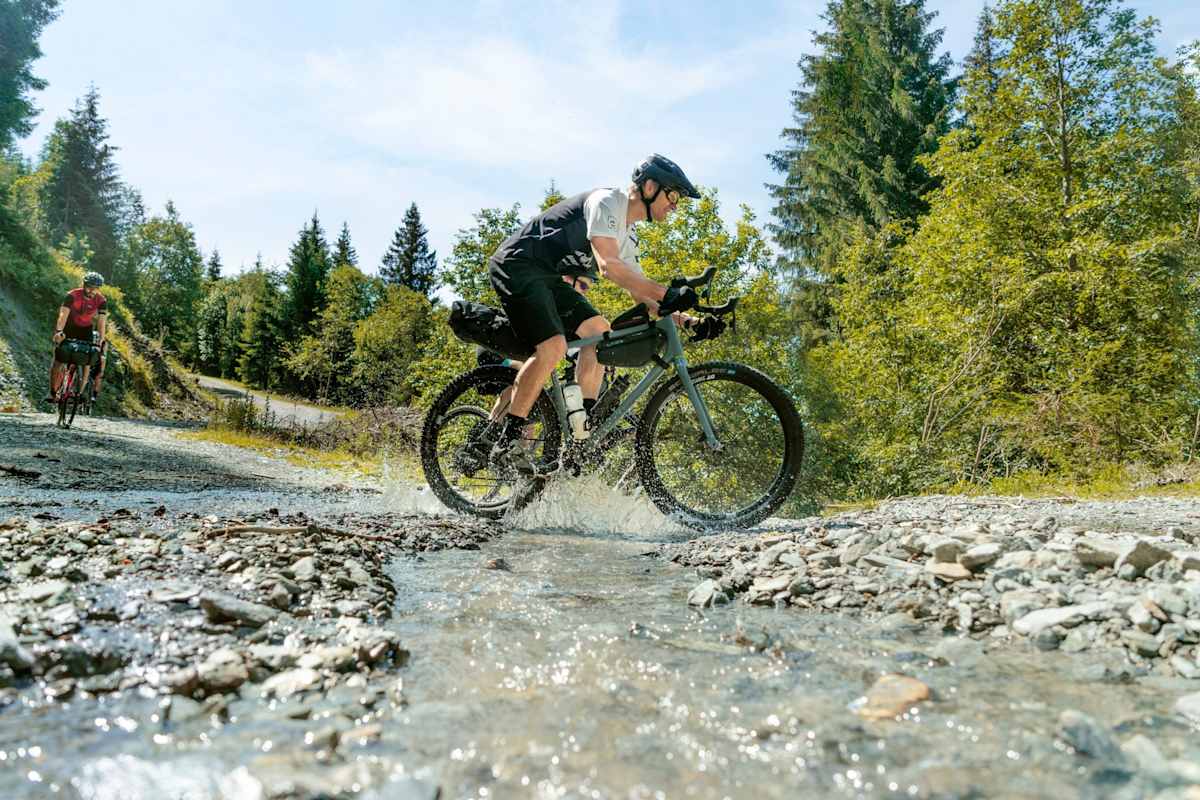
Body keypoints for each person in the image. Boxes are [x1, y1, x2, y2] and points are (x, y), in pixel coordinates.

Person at [486, 154, 702, 468]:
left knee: (600, 334)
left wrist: (687, 320)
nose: (675, 205)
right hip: (517, 265)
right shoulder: (606, 202)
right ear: (651, 186)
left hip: (545, 277)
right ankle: (508, 438)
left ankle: (580, 434)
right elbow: (608, 266)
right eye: (673, 196)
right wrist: (669, 292)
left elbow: (640, 293)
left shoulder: (627, 233)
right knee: (554, 346)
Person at [46, 272, 107, 403]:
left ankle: (80, 392)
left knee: (88, 359)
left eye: (95, 288)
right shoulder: (72, 295)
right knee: (58, 359)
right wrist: (59, 331)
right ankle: (53, 392)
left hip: (86, 330)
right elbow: (63, 315)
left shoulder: (101, 301)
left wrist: (102, 340)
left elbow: (101, 323)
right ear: (84, 285)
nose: (92, 291)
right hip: (69, 327)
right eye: (89, 287)